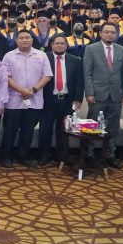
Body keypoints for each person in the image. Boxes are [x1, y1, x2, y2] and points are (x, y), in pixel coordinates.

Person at [1, 29, 52, 168]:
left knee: (28, 131)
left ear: (32, 40)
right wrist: (21, 90)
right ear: (16, 40)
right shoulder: (8, 56)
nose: (24, 40)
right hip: (13, 100)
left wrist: (33, 89)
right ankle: (6, 156)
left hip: (34, 100)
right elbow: (6, 77)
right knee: (10, 130)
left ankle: (23, 155)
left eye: (27, 37)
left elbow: (47, 75)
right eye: (21, 38)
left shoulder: (41, 55)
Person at [82, 22, 123, 168]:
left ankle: (110, 155)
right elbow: (87, 73)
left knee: (113, 128)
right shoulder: (91, 48)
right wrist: (89, 93)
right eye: (107, 32)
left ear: (116, 34)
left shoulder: (122, 50)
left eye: (113, 32)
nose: (110, 35)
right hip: (97, 95)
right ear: (101, 33)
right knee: (92, 126)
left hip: (116, 95)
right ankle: (89, 154)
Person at [38, 34, 85, 166]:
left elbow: (79, 82)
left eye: (62, 43)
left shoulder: (75, 60)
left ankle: (61, 155)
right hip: (48, 100)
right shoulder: (44, 58)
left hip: (67, 101)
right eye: (56, 43)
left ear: (67, 45)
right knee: (45, 129)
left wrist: (78, 99)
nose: (59, 45)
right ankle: (44, 155)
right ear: (52, 45)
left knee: (63, 130)